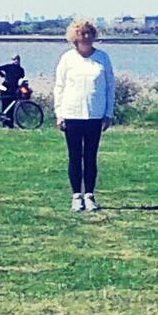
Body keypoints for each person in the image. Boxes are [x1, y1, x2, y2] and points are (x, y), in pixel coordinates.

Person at [53, 19, 115, 212]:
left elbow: (110, 87)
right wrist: (59, 113)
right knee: (74, 156)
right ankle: (76, 196)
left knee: (90, 156)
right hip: (71, 114)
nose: (86, 37)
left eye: (89, 33)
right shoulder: (67, 59)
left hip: (95, 115)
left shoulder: (103, 58)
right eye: (82, 33)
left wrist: (108, 113)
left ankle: (89, 195)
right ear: (75, 37)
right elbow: (59, 87)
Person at [0, 54, 26, 128]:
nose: (16, 61)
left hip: (10, 88)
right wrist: (3, 75)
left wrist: (2, 75)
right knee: (7, 105)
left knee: (9, 106)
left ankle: (9, 123)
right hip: (9, 88)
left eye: (17, 59)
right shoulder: (19, 69)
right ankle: (6, 123)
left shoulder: (13, 68)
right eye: (15, 59)